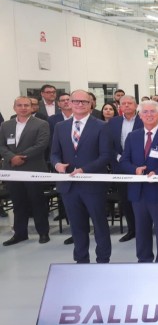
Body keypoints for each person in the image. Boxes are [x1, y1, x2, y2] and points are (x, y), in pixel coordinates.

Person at [51, 89, 113, 262]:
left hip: (93, 185)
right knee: (77, 226)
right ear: (69, 103)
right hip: (69, 186)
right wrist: (57, 164)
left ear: (90, 104)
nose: (79, 104)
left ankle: (103, 259)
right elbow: (54, 153)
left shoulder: (102, 126)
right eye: (76, 101)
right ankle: (81, 259)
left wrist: (84, 170)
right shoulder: (60, 127)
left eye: (84, 102)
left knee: (100, 225)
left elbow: (105, 156)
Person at [119, 100, 158, 263]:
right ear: (140, 115)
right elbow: (124, 161)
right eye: (145, 112)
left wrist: (157, 173)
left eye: (153, 111)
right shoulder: (133, 136)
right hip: (138, 192)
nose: (149, 115)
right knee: (141, 229)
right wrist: (135, 170)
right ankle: (144, 260)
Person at [0, 97, 51, 246]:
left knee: (37, 202)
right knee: (18, 203)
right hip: (12, 170)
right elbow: (1, 145)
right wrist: (12, 157)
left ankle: (43, 233)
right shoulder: (5, 125)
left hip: (33, 168)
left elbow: (41, 144)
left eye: (26, 105)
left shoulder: (42, 124)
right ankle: (20, 234)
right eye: (20, 105)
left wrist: (20, 157)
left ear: (31, 107)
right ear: (14, 107)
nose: (23, 108)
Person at [106, 95, 143, 242]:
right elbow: (108, 144)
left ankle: (143, 229)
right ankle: (132, 229)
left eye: (130, 103)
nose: (127, 105)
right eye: (124, 103)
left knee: (140, 200)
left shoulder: (143, 120)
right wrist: (119, 158)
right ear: (119, 106)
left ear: (136, 106)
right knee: (125, 200)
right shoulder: (113, 122)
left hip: (139, 166)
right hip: (119, 166)